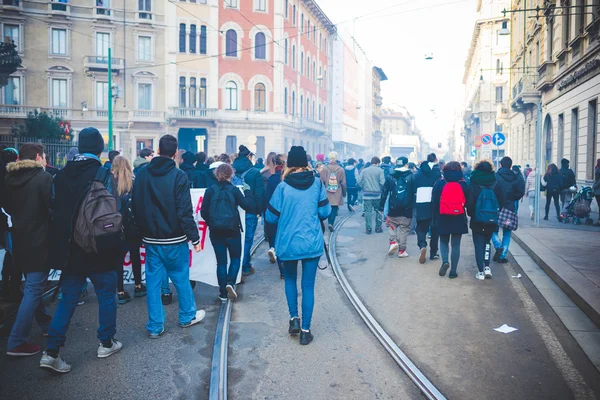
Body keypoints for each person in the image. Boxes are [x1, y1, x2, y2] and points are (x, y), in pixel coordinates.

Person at [43, 128, 123, 373]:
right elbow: (113, 209)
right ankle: (106, 343)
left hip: (71, 250)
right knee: (107, 295)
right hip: (100, 247)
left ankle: (51, 352)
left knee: (67, 300)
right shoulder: (103, 173)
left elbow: (54, 210)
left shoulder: (60, 175)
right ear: (99, 148)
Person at [132, 134, 205, 339]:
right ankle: (187, 315)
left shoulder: (143, 174)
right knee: (181, 278)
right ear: (175, 153)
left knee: (154, 283)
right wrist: (195, 238)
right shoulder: (178, 175)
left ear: (157, 150)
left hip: (151, 239)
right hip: (174, 238)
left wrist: (141, 231)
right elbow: (184, 211)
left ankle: (155, 325)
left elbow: (136, 205)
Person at [266, 146, 331, 346]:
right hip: (311, 242)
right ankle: (305, 331)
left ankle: (294, 319)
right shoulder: (317, 185)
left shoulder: (282, 187)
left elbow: (270, 216)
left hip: (288, 243)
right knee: (308, 285)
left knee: (290, 279)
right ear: (306, 163)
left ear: (289, 165)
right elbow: (325, 212)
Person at [4, 143, 53, 357]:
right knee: (33, 289)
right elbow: (52, 209)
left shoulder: (9, 180)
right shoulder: (43, 179)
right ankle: (16, 342)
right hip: (40, 242)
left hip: (19, 241)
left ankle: (45, 324)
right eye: (44, 156)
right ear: (37, 157)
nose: (45, 160)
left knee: (33, 287)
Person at [201, 164, 256, 301]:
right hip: (232, 230)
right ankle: (230, 283)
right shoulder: (234, 190)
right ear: (231, 174)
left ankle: (222, 293)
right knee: (235, 258)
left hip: (216, 231)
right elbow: (248, 206)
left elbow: (203, 212)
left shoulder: (210, 190)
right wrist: (248, 192)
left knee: (221, 262)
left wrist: (212, 223)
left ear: (216, 174)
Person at [111, 156, 145, 304]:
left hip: (116, 226)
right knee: (135, 255)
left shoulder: (111, 182)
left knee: (118, 259)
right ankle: (138, 285)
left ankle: (120, 290)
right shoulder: (134, 182)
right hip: (133, 225)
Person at [466, 161, 504, 281]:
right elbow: (501, 202)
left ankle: (480, 271)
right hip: (491, 220)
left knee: (478, 245)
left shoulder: (473, 183)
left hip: (477, 220)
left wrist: (472, 214)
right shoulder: (496, 183)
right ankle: (487, 267)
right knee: (487, 243)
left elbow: (470, 203)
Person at [432, 162, 469, 278]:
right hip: (458, 217)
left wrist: (434, 218)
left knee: (443, 241)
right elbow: (467, 200)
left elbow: (434, 201)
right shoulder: (463, 184)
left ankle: (445, 261)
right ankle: (453, 271)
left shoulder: (441, 183)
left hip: (443, 216)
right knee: (456, 244)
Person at [232, 145, 265, 276]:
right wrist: (259, 210)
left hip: (234, 210)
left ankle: (236, 266)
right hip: (250, 210)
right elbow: (259, 194)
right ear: (249, 157)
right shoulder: (255, 172)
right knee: (247, 240)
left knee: (235, 239)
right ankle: (244, 266)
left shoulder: (231, 170)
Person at [492, 157, 525, 264]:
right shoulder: (516, 177)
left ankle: (497, 245)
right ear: (511, 165)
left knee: (493, 229)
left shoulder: (495, 176)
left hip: (496, 208)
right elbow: (520, 192)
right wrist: (512, 199)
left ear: (500, 165)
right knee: (507, 232)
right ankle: (502, 255)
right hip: (509, 208)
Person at [380, 157, 415, 258]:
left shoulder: (390, 176)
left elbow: (384, 193)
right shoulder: (412, 176)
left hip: (393, 207)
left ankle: (393, 242)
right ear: (406, 164)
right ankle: (402, 251)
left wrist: (381, 207)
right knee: (404, 229)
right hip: (407, 209)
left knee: (391, 224)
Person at [1, 147, 20, 301]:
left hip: (7, 222)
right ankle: (13, 288)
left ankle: (7, 286)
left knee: (11, 253)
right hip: (12, 221)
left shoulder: (7, 175)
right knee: (15, 255)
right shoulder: (12, 176)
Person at [414, 159, 442, 264]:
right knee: (435, 230)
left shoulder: (417, 175)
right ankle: (434, 252)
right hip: (435, 205)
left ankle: (422, 245)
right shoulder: (438, 175)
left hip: (421, 204)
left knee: (421, 227)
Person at [265, 154, 286, 278]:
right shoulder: (287, 178)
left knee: (275, 239)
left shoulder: (272, 179)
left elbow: (267, 198)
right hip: (286, 214)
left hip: (274, 213)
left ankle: (281, 269)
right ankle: (284, 269)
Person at [320, 151, 346, 231]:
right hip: (337, 191)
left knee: (328, 206)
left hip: (327, 190)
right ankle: (331, 222)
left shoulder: (324, 168)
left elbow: (321, 181)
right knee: (334, 207)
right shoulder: (341, 169)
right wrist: (344, 193)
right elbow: (343, 183)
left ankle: (328, 221)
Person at [358, 156, 385, 234]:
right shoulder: (380, 171)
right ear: (377, 163)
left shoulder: (364, 170)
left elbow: (359, 180)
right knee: (378, 211)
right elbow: (382, 182)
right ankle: (378, 227)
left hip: (367, 194)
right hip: (377, 195)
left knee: (368, 212)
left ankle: (368, 228)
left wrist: (363, 186)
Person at [594, 159, 600, 226]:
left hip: (598, 190)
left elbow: (598, 181)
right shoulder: (597, 169)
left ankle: (599, 221)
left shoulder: (598, 169)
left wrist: (594, 186)